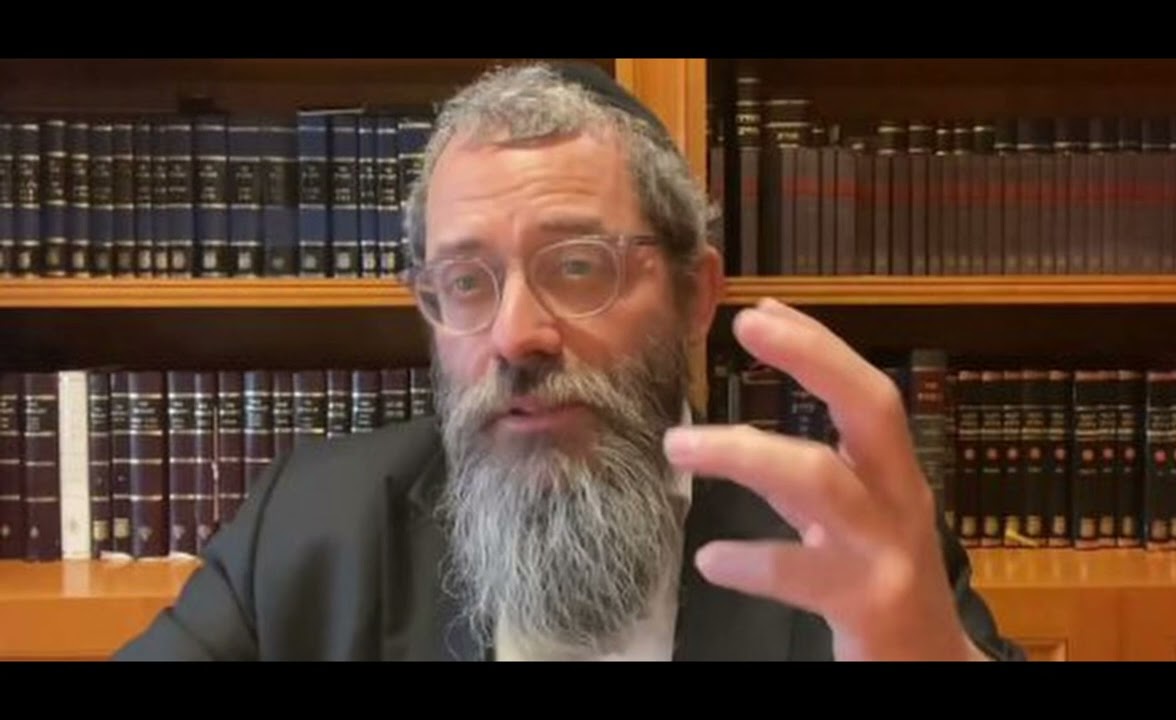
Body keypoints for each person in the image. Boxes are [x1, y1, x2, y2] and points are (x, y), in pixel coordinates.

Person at [115, 61, 1024, 662]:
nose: (516, 335)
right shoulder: (310, 529)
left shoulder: (842, 545)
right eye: (466, 282)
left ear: (696, 295)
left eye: (579, 266)